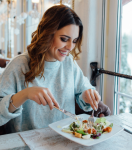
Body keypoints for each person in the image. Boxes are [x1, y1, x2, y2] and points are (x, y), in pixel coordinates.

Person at [0, 5, 110, 134]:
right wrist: (25, 94)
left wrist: (87, 95)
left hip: (67, 139)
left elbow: (85, 90)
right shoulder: (18, 64)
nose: (70, 47)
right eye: (64, 39)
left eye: (74, 41)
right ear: (47, 34)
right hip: (27, 144)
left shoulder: (69, 63)